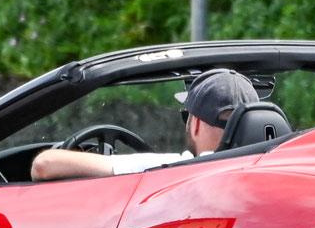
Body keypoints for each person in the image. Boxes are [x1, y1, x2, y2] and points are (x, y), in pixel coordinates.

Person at [31, 68, 259, 180]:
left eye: (186, 117)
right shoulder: (277, 168)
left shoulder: (173, 170)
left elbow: (44, 164)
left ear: (196, 124)